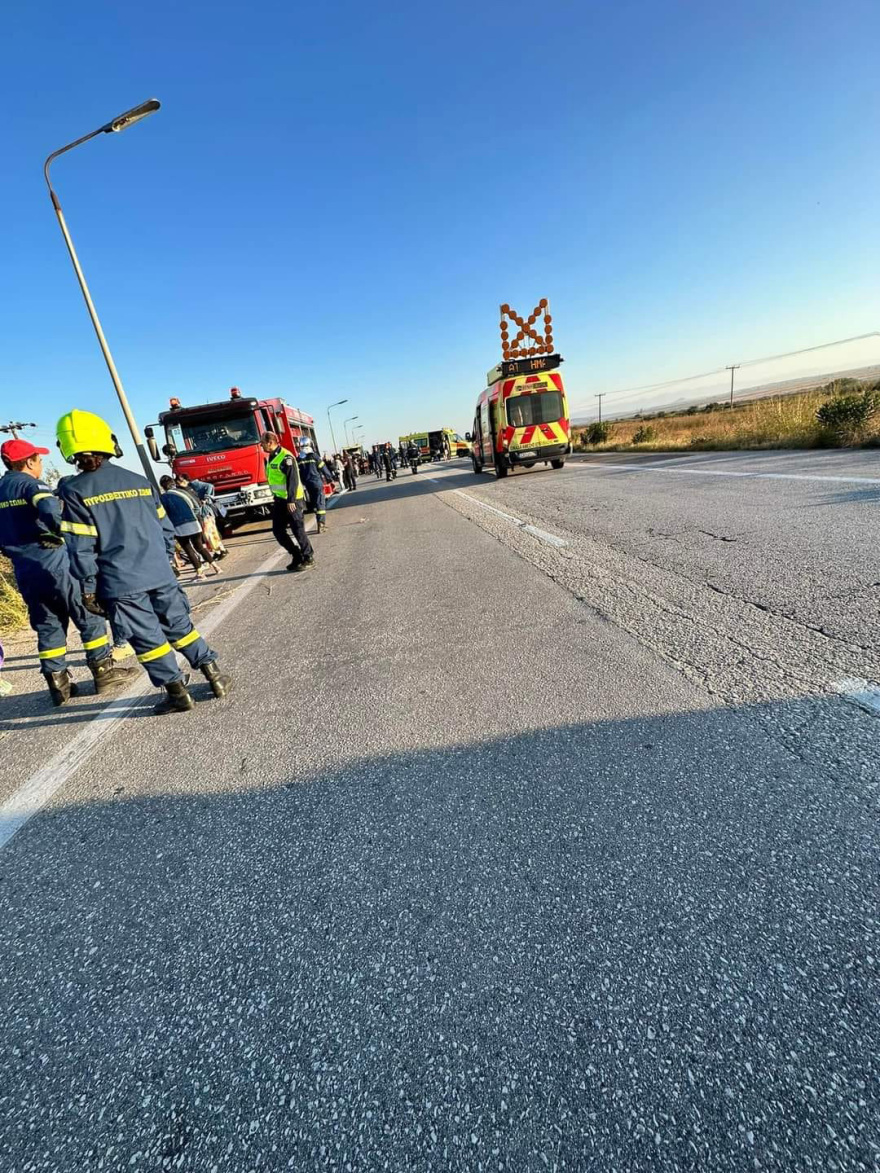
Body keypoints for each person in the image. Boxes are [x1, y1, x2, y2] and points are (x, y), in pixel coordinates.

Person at [55, 410, 232, 714]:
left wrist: (88, 587)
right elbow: (164, 527)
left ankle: (177, 693)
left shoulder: (74, 491)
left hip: (120, 581)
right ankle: (213, 673)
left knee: (148, 639)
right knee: (180, 626)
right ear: (107, 442)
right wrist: (165, 561)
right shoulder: (138, 480)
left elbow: (80, 547)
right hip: (160, 572)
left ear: (68, 449)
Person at [0, 437, 136, 705]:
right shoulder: (31, 484)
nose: (40, 464)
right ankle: (103, 672)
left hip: (25, 569)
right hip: (55, 561)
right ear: (29, 462)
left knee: (48, 624)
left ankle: (58, 684)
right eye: (39, 459)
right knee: (88, 614)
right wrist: (61, 533)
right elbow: (49, 507)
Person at [258, 431, 315, 571]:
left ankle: (308, 556)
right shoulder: (272, 456)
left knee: (297, 530)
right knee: (278, 530)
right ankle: (296, 555)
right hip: (279, 500)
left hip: (292, 500)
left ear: (270, 442)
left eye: (262, 443)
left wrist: (291, 500)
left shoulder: (286, 456)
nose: (261, 446)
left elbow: (293, 480)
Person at [159, 475, 221, 577]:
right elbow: (196, 506)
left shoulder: (162, 498)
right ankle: (216, 567)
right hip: (193, 522)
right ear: (173, 483)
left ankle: (200, 573)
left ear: (163, 487)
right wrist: (193, 516)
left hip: (178, 526)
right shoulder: (183, 492)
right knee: (200, 547)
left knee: (188, 549)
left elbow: (163, 515)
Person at [176, 472, 228, 559]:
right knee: (208, 533)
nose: (179, 483)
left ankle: (221, 550)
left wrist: (206, 498)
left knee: (209, 533)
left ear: (185, 480)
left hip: (205, 512)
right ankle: (218, 551)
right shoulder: (183, 489)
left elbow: (209, 486)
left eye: (180, 481)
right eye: (177, 482)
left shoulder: (193, 484)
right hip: (201, 512)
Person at [295, 436, 332, 533]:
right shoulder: (314, 456)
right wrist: (329, 478)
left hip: (307, 485)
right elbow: (323, 468)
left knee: (314, 503)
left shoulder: (298, 459)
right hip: (317, 483)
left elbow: (297, 473)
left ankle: (318, 520)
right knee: (320, 503)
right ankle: (321, 524)